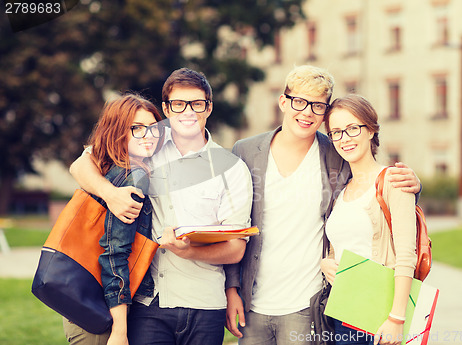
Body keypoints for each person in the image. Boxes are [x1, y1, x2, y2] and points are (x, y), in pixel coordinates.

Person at [224, 65, 421, 345]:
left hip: (309, 305)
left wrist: (413, 184)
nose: (306, 113)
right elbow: (233, 225)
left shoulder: (334, 151)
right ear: (283, 102)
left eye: (317, 106)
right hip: (254, 302)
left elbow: (379, 182)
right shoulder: (245, 152)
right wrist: (232, 288)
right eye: (300, 102)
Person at [69, 68, 253, 345]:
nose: (188, 112)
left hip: (205, 305)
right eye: (178, 104)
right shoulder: (146, 147)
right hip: (148, 304)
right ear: (166, 109)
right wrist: (110, 194)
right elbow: (82, 164)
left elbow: (236, 249)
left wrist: (188, 251)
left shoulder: (232, 169)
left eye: (197, 104)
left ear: (208, 108)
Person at [63, 93, 164, 345]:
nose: (148, 136)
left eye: (153, 128)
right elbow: (114, 255)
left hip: (82, 298)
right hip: (104, 313)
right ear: (118, 131)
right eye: (137, 128)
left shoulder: (105, 167)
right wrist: (120, 330)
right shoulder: (133, 176)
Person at [321, 94, 417, 345]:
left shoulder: (393, 181)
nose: (345, 138)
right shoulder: (341, 189)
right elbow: (345, 243)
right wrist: (328, 263)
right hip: (344, 312)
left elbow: (407, 256)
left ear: (371, 130)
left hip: (380, 316)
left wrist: (396, 319)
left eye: (352, 128)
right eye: (336, 132)